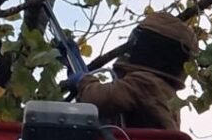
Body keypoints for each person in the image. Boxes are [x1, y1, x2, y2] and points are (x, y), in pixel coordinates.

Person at [66, 11, 198, 130]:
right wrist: (76, 65)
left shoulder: (144, 83)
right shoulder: (165, 92)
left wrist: (82, 80)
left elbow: (96, 99)